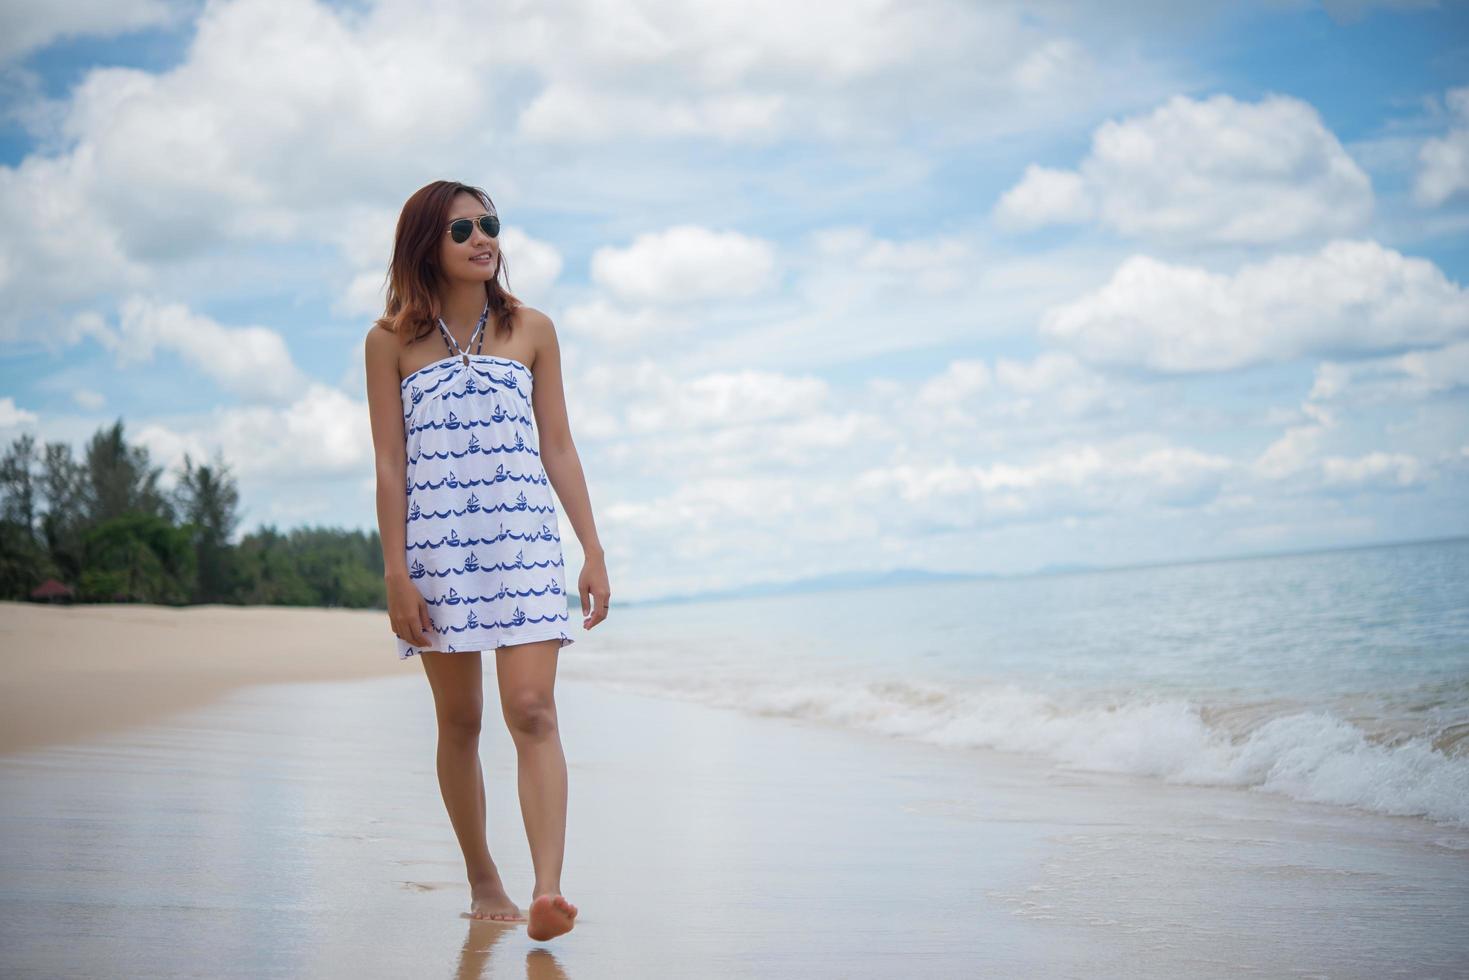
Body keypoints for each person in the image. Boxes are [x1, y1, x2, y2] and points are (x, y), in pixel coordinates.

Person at [364, 180, 610, 940]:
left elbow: (558, 446)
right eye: (462, 227)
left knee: (531, 711)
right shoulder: (389, 342)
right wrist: (395, 573)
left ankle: (547, 890)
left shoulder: (531, 329)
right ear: (424, 246)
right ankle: (482, 875)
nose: (483, 238)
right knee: (461, 720)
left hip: (524, 546)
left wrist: (592, 548)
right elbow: (390, 467)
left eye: (489, 223)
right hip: (438, 556)